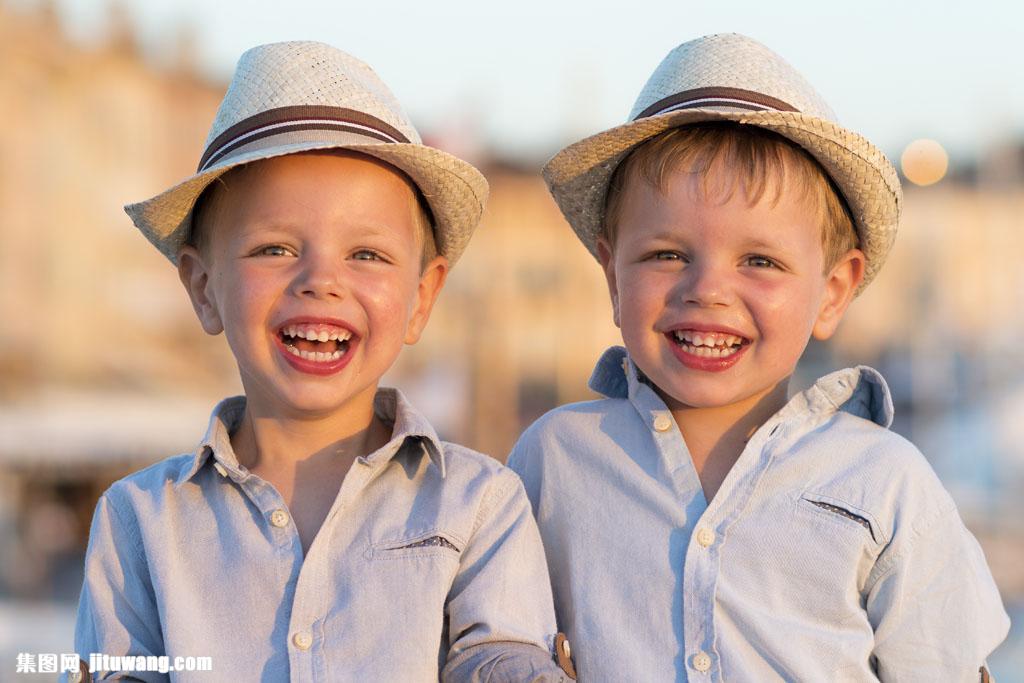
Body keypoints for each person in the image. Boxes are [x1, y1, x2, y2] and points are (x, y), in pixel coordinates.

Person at [509, 33, 1009, 681]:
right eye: (667, 254)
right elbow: (499, 646)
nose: (708, 289)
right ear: (612, 275)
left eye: (759, 261)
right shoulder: (554, 459)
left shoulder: (885, 482)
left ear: (832, 292)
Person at [69, 41, 572, 682]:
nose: (320, 281)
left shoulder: (478, 505)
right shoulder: (139, 519)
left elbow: (498, 657)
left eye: (366, 255)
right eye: (275, 249)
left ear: (422, 298)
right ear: (203, 287)